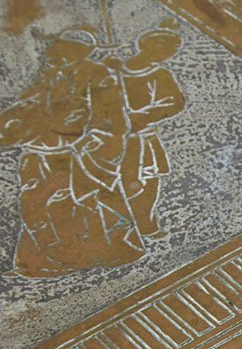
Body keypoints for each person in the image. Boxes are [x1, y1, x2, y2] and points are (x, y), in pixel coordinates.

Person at [0, 28, 139, 276]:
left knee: (70, 202)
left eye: (59, 47)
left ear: (77, 51)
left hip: (75, 154)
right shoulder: (50, 75)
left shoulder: (98, 75)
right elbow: (27, 106)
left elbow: (113, 118)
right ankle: (40, 260)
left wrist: (94, 146)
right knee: (32, 201)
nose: (51, 52)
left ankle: (86, 256)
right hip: (38, 151)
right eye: (53, 46)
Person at [115, 20, 184, 239]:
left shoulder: (159, 74)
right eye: (161, 47)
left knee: (150, 179)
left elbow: (175, 103)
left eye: (169, 50)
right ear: (146, 44)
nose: (165, 53)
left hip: (144, 136)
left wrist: (142, 116)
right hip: (114, 139)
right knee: (120, 182)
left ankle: (145, 222)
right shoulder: (113, 71)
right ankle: (120, 226)